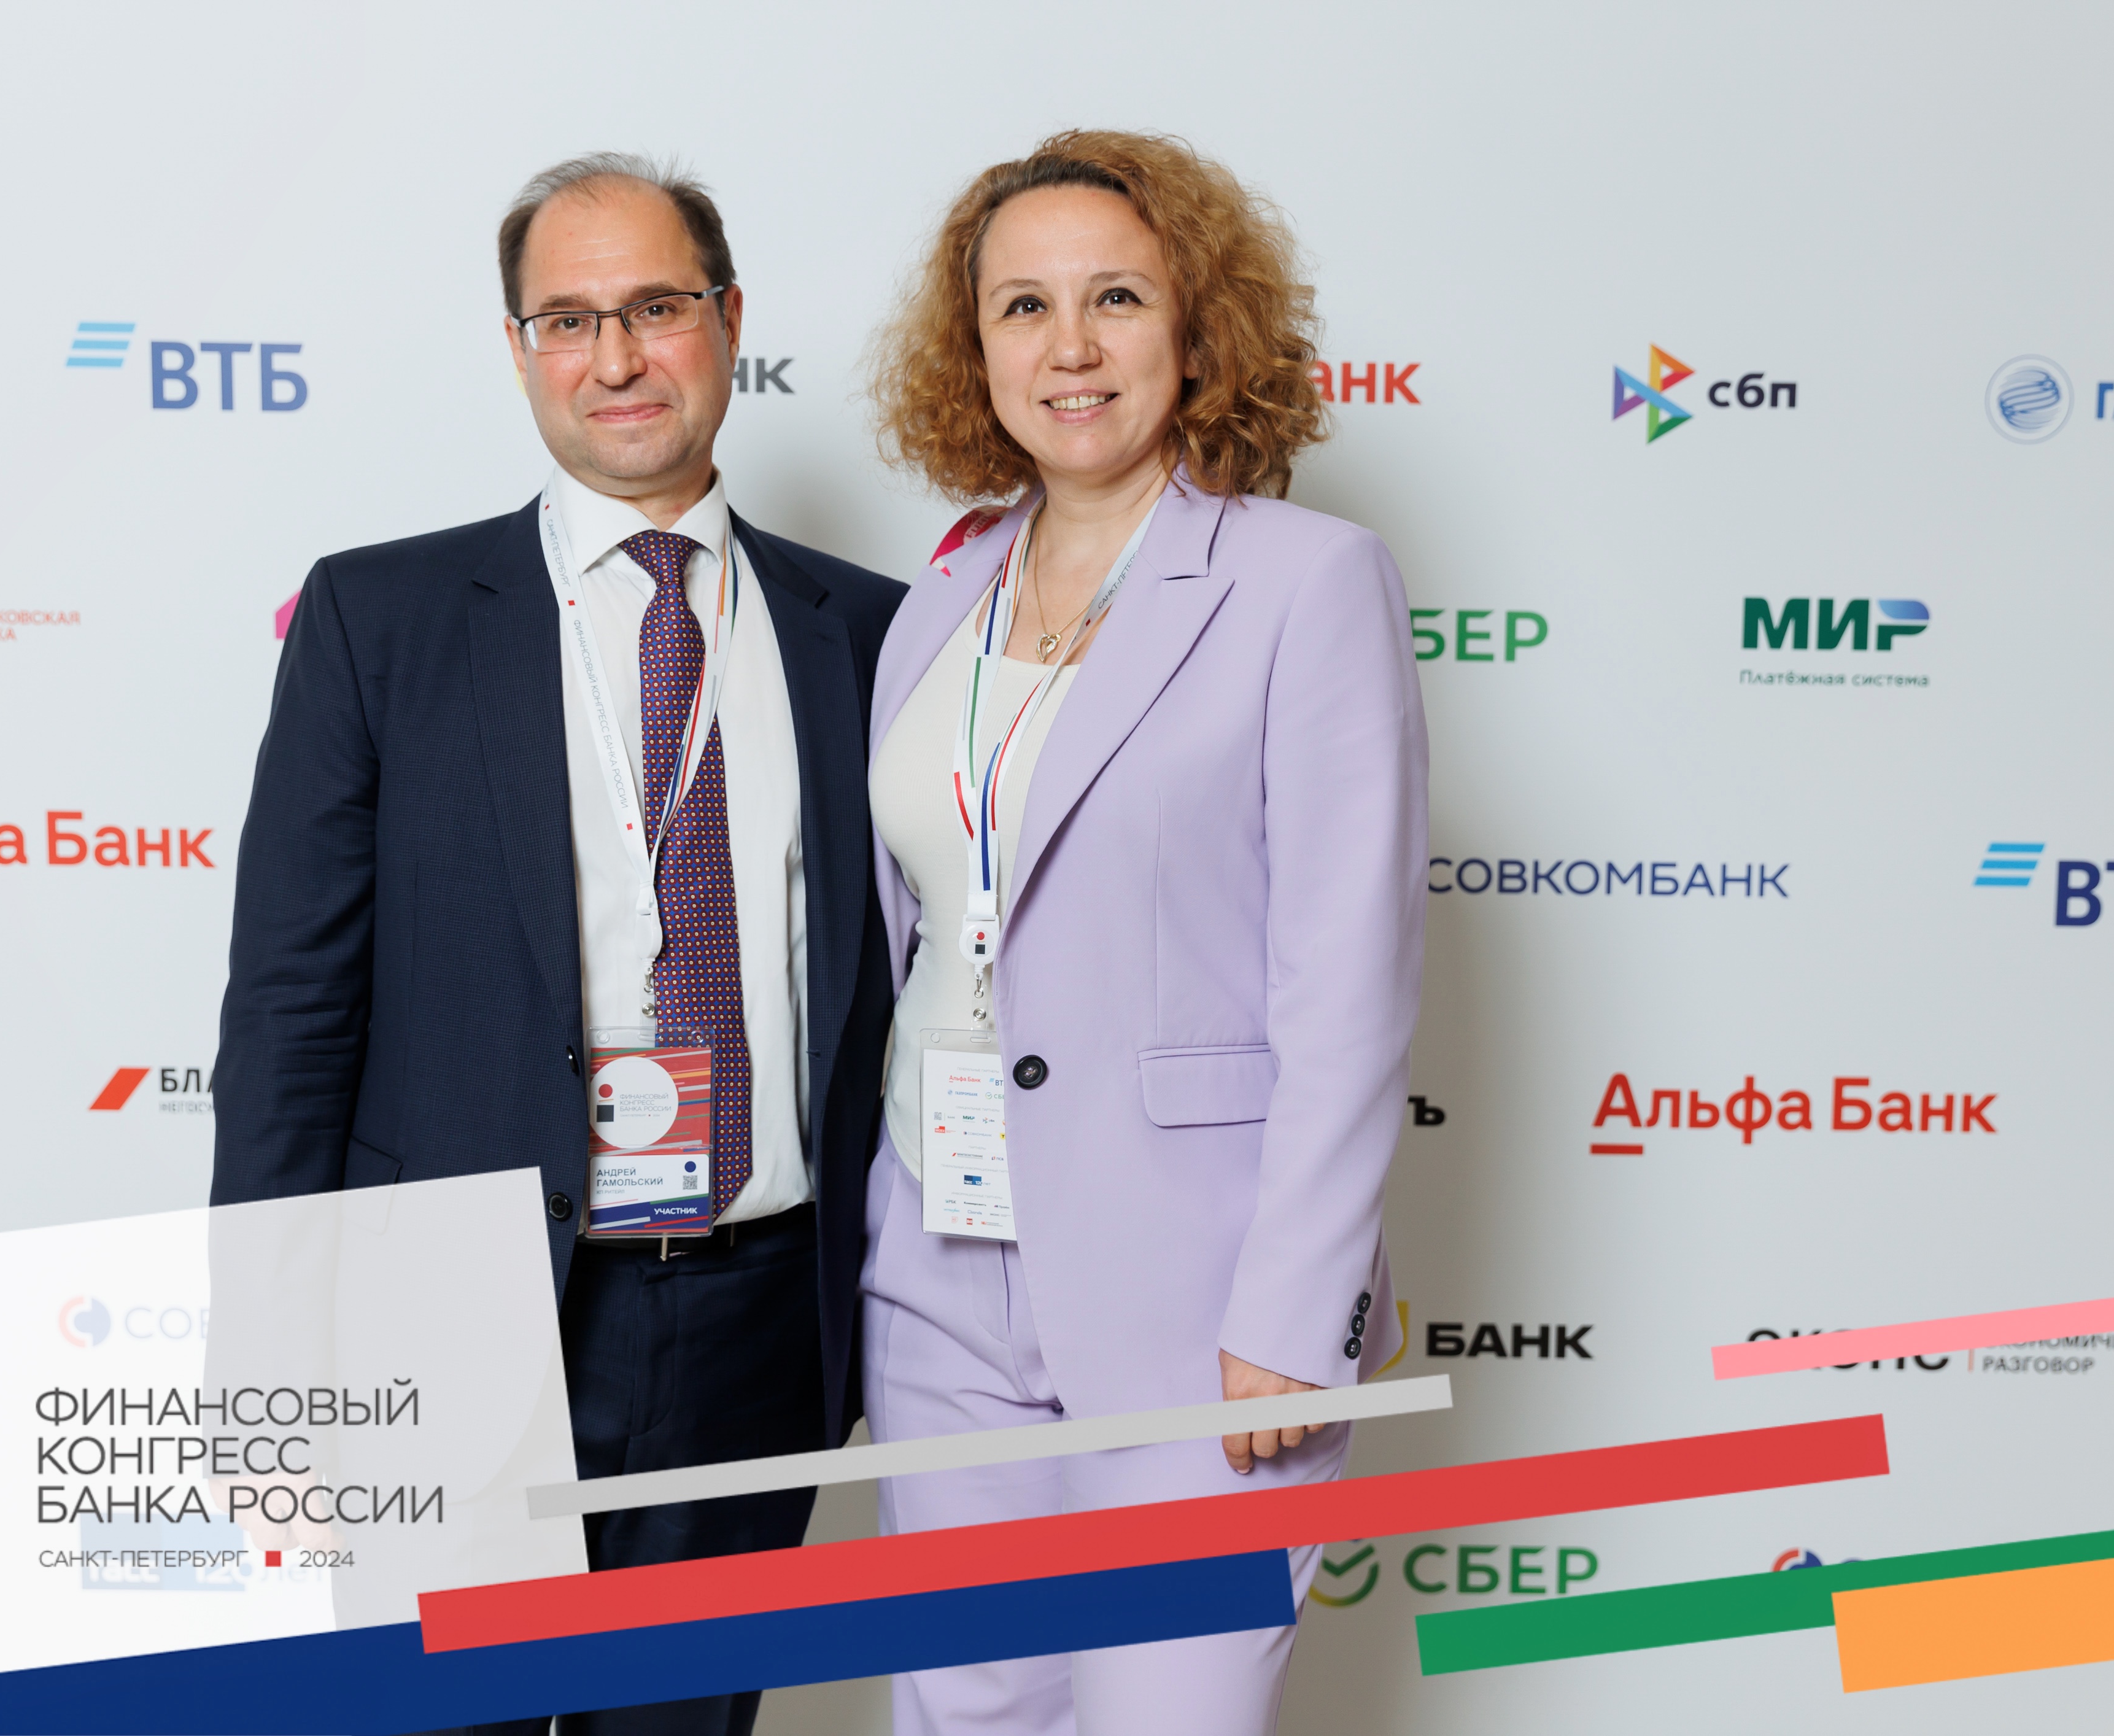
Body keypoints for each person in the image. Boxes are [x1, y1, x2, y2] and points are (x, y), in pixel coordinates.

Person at [211, 153, 902, 1736]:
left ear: (730, 321)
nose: (616, 358)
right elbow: (292, 1010)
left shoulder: (866, 632)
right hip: (452, 1314)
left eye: (657, 308)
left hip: (757, 1318)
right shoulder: (381, 621)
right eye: (568, 319)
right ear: (519, 347)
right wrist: (268, 1352)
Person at [858, 131, 1428, 1734]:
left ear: (1196, 327)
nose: (1071, 346)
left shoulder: (1306, 582)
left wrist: (1294, 1314)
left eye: (1115, 297)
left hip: (1198, 1301)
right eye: (1022, 306)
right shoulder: (941, 597)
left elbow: (1347, 988)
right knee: (965, 1717)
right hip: (938, 1285)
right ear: (974, 349)